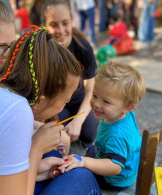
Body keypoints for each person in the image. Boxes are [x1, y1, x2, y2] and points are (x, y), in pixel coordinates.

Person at [0, 25, 98, 194]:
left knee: (54, 157)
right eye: (64, 103)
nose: (62, 109)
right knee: (82, 177)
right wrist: (36, 150)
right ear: (41, 100)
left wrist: (37, 168)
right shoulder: (15, 111)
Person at [59, 61, 146, 191]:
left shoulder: (116, 135)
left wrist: (84, 162)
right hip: (127, 163)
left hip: (114, 179)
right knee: (90, 151)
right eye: (94, 95)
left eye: (106, 101)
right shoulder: (123, 112)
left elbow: (115, 167)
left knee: (77, 175)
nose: (96, 104)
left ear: (127, 106)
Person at [41, 0, 98, 149]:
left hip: (79, 101)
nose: (60, 30)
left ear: (72, 21)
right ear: (45, 26)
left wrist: (78, 122)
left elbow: (91, 90)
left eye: (65, 23)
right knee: (58, 134)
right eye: (54, 25)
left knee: (89, 134)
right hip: (56, 105)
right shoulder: (41, 51)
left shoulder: (83, 48)